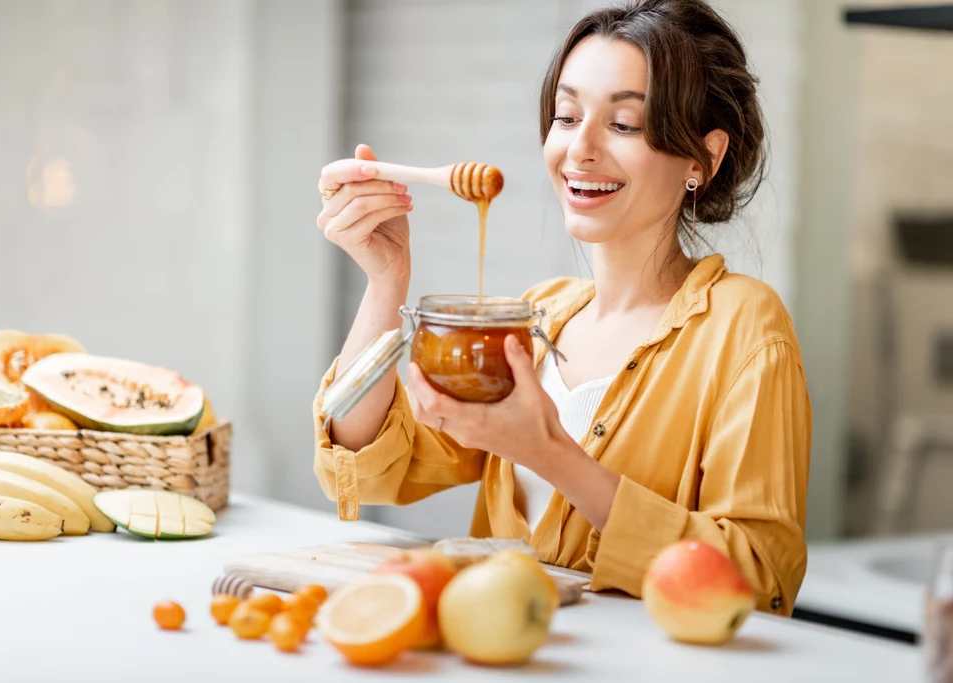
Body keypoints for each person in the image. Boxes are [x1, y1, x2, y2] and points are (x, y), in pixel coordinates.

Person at [311, 0, 812, 617]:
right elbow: (367, 464)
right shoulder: (535, 315)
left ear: (702, 160)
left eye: (624, 124)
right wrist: (387, 281)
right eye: (567, 116)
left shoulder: (745, 328)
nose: (581, 149)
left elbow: (758, 578)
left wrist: (550, 453)